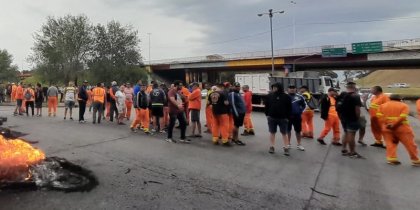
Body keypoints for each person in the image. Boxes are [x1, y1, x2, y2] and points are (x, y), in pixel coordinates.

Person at [376, 94, 420, 166]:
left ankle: (392, 159)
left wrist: (388, 124)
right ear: (400, 99)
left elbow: (379, 116)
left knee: (390, 143)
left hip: (387, 128)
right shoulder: (404, 106)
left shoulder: (382, 106)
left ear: (389, 98)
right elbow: (402, 117)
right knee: (410, 144)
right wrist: (394, 124)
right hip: (402, 128)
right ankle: (415, 160)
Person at [337, 82, 363, 158]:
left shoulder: (343, 95)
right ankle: (352, 152)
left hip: (343, 117)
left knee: (345, 132)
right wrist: (358, 118)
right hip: (352, 118)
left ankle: (344, 148)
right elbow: (357, 109)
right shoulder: (355, 96)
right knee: (351, 134)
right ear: (354, 87)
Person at [265, 83, 292, 155]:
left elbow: (289, 108)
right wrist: (267, 115)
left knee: (284, 133)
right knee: (272, 132)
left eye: (275, 87)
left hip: (283, 118)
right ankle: (272, 147)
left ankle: (286, 148)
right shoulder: (269, 96)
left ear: (279, 87)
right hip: (272, 118)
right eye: (273, 87)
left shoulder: (286, 97)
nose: (273, 89)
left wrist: (288, 117)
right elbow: (266, 106)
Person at [287, 85, 306, 151]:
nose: (292, 89)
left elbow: (304, 105)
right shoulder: (285, 96)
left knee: (298, 131)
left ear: (296, 89)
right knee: (288, 130)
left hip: (297, 116)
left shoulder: (300, 97)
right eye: (290, 88)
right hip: (288, 117)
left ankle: (299, 144)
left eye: (293, 88)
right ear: (288, 89)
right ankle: (288, 144)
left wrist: (300, 112)